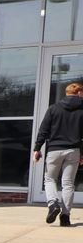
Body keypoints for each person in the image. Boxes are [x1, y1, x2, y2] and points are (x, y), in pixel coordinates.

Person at [33, 82, 83, 227]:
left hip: (54, 150)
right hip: (73, 150)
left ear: (67, 93)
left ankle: (53, 204)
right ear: (79, 93)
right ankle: (65, 217)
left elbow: (43, 130)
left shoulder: (54, 108)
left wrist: (37, 148)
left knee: (49, 179)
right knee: (68, 183)